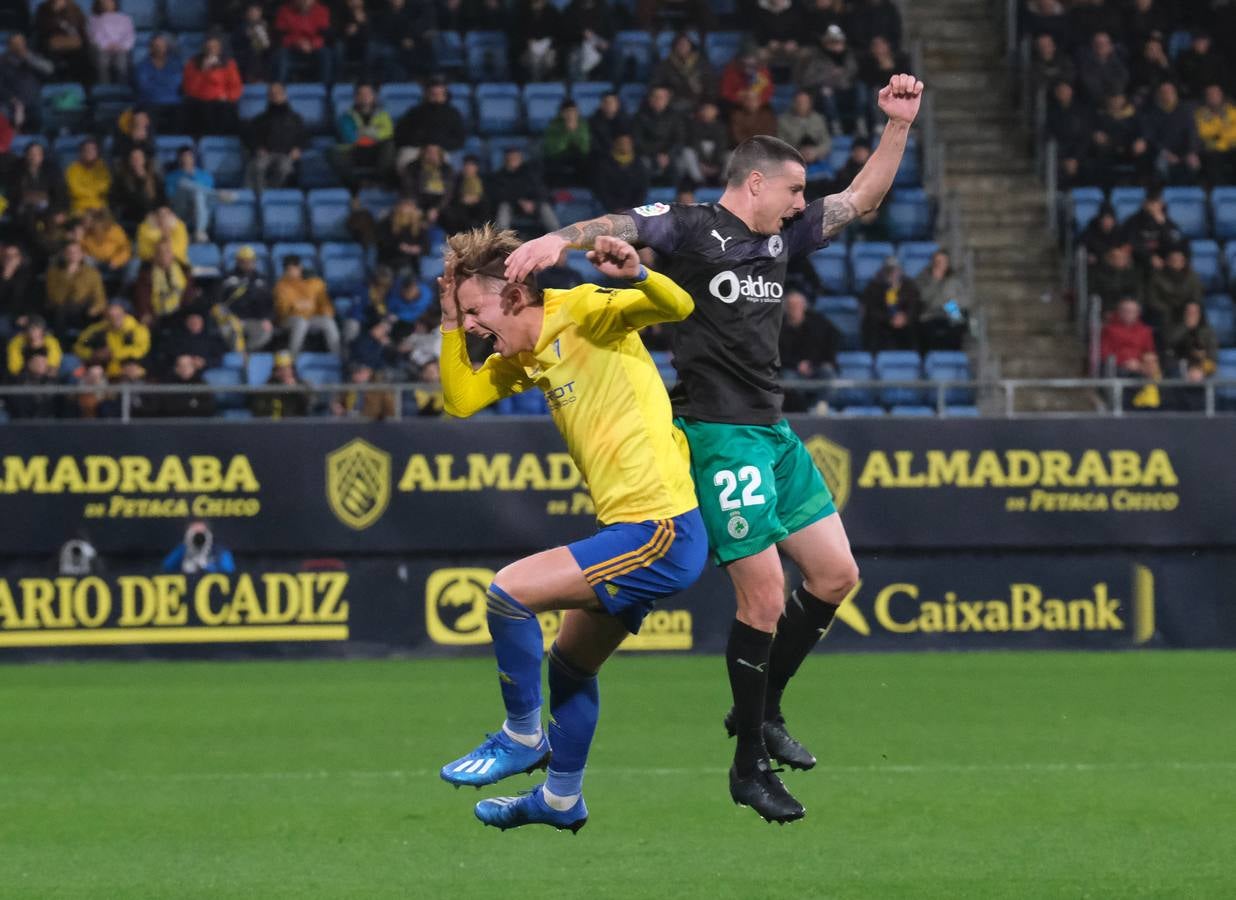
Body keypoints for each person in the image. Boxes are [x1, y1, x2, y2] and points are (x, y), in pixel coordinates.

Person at [506, 72, 923, 825]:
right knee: (762, 598)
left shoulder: (780, 235)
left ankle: (761, 713)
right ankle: (747, 768)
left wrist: (897, 125)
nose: (803, 204)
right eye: (794, 191)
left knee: (836, 574)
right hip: (718, 433)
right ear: (755, 183)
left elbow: (861, 200)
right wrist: (553, 241)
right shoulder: (694, 228)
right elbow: (625, 223)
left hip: (773, 429)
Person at [435, 225, 706, 834]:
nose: (475, 328)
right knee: (570, 667)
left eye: (476, 311)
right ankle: (561, 798)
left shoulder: (581, 309)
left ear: (512, 295)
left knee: (508, 592)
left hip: (659, 528)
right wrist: (450, 321)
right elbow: (459, 400)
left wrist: (634, 272)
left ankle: (523, 735)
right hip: (634, 531)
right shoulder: (524, 356)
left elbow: (679, 305)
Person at [778, 289, 838, 412]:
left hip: (815, 365)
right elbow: (776, 354)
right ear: (786, 308)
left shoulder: (818, 323)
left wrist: (813, 363)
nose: (794, 308)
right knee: (788, 380)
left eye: (797, 305)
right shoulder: (778, 327)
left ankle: (819, 407)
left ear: (804, 306)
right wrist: (796, 364)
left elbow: (831, 342)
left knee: (828, 373)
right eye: (791, 305)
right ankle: (802, 410)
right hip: (790, 368)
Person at [1100, 296, 1162, 408]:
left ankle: (1151, 404)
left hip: (1140, 367)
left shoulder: (1145, 331)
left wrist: (1140, 364)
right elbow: (1105, 354)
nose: (1129, 314)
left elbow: (1149, 351)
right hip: (1118, 367)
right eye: (1126, 311)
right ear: (1119, 312)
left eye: (1132, 311)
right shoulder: (1109, 330)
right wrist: (1125, 362)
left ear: (1138, 313)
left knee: (1153, 370)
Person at [331, 83, 394, 190]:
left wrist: (362, 132)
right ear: (356, 97)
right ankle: (355, 186)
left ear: (374, 96)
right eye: (361, 94)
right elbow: (350, 137)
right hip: (355, 150)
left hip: (376, 151)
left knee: (390, 145)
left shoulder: (383, 114)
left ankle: (379, 182)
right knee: (332, 153)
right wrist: (374, 133)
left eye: (368, 93)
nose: (365, 97)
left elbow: (388, 132)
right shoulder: (346, 116)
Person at [274, 254, 340, 356]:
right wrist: (299, 310)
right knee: (301, 322)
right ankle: (293, 357)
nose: (290, 272)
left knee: (328, 322)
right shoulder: (281, 285)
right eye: (287, 269)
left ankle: (338, 356)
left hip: (312, 318)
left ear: (299, 267)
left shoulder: (315, 282)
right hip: (290, 319)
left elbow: (324, 303)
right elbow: (283, 310)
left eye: (293, 268)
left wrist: (327, 312)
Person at [181, 32, 243, 137]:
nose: (211, 49)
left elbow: (236, 88)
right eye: (208, 47)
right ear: (204, 47)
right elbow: (189, 89)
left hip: (220, 102)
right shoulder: (193, 63)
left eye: (214, 47)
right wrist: (202, 70)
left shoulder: (228, 63)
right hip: (199, 101)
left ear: (219, 48)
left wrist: (227, 96)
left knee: (227, 110)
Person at [167, 146, 232, 244]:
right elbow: (171, 198)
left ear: (194, 157)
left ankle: (199, 231)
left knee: (199, 195)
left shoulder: (205, 176)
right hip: (181, 211)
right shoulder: (172, 177)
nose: (186, 159)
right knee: (183, 184)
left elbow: (209, 201)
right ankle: (218, 194)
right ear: (179, 158)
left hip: (202, 212)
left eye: (189, 156)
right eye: (183, 156)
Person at [489, 148, 559, 238]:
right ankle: (501, 240)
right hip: (513, 206)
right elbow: (500, 195)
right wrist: (520, 201)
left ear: (521, 159)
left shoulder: (529, 173)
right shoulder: (500, 175)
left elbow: (540, 191)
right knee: (504, 207)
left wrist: (534, 203)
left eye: (516, 158)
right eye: (511, 158)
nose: (513, 160)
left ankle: (558, 238)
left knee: (545, 207)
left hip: (532, 205)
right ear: (506, 160)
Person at [73, 300, 152, 378]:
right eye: (110, 317)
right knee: (94, 372)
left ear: (124, 314)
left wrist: (114, 354)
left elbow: (141, 351)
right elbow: (77, 347)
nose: (114, 320)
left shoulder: (138, 330)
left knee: (136, 371)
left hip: (129, 366)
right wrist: (94, 354)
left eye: (118, 316)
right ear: (106, 317)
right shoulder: (97, 330)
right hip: (104, 369)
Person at [218, 245, 275, 350]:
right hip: (233, 319)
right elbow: (220, 300)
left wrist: (267, 318)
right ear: (238, 261)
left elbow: (269, 302)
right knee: (226, 330)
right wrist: (229, 317)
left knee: (266, 332)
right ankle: (237, 354)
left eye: (250, 260)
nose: (247, 263)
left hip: (255, 320)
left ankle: (247, 353)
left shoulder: (262, 280)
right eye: (243, 261)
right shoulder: (228, 279)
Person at [46, 241, 107, 339]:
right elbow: (54, 296)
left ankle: (85, 343)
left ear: (82, 254)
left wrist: (93, 310)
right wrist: (67, 275)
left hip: (83, 311)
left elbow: (100, 297)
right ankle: (61, 343)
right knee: (61, 310)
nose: (73, 255)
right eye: (69, 252)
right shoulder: (54, 272)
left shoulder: (92, 273)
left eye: (76, 252)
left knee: (95, 313)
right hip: (60, 308)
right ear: (64, 254)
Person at [861, 255, 921, 351]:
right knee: (871, 325)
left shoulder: (909, 286)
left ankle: (914, 358)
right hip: (883, 321)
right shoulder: (874, 287)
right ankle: (874, 359)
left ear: (900, 271)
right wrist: (889, 318)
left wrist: (905, 317)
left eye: (895, 270)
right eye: (889, 271)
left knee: (918, 324)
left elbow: (914, 305)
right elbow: (871, 309)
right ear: (884, 271)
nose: (893, 274)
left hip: (904, 321)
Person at [914, 249, 968, 351]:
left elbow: (965, 298)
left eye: (944, 262)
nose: (941, 265)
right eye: (938, 262)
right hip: (930, 312)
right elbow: (923, 298)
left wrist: (956, 304)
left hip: (950, 309)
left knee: (959, 324)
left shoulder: (954, 279)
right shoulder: (923, 278)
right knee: (929, 329)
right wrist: (935, 281)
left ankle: (955, 354)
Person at [134, 239, 198, 324]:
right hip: (157, 316)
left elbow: (188, 293)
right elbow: (142, 298)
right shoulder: (146, 273)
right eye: (160, 252)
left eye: (167, 251)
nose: (164, 255)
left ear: (172, 254)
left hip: (180, 313)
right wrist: (146, 314)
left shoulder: (183, 270)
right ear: (155, 256)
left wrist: (190, 313)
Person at [634, 84, 685, 185]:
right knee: (643, 163)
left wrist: (667, 155)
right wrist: (655, 155)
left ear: (667, 100)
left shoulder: (675, 117)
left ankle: (677, 192)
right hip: (648, 154)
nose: (658, 100)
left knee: (682, 161)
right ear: (650, 99)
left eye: (661, 97)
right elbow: (638, 141)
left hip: (668, 154)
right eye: (655, 97)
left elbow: (679, 140)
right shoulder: (640, 116)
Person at [273, 0, 333, 86]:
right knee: (281, 55)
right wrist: (297, 43)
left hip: (314, 47)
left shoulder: (321, 10)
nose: (304, 2)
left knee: (326, 54)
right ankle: (279, 89)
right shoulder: (284, 11)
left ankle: (326, 90)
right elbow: (279, 36)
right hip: (292, 47)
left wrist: (312, 44)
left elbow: (325, 35)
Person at [133, 34, 183, 131]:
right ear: (150, 48)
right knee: (144, 115)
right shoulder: (142, 66)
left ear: (167, 48)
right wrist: (165, 83)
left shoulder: (175, 64)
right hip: (150, 102)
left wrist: (156, 81)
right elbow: (144, 87)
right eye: (156, 46)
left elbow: (176, 83)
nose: (159, 49)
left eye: (162, 46)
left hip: (173, 102)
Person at [34, 0, 90, 83]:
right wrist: (54, 12)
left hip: (73, 45)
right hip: (51, 43)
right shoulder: (43, 8)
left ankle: (83, 88)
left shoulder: (74, 8)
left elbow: (81, 28)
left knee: (85, 56)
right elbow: (41, 29)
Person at [592, 134, 649, 214]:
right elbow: (601, 189)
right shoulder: (604, 164)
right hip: (609, 208)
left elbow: (642, 189)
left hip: (632, 208)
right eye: (621, 143)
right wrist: (614, 208)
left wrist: (633, 208)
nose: (625, 146)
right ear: (615, 145)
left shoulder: (638, 164)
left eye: (627, 143)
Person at [112, 147, 164, 230]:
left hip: (153, 215)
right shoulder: (121, 179)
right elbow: (120, 200)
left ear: (144, 160)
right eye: (133, 158)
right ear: (129, 160)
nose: (136, 160)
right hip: (131, 215)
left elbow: (161, 199)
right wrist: (141, 180)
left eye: (139, 157)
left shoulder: (154, 178)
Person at [680, 101, 730, 187]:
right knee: (687, 152)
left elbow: (721, 146)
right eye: (705, 110)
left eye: (710, 110)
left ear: (716, 112)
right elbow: (695, 145)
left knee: (730, 154)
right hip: (700, 162)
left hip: (716, 161)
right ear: (700, 112)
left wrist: (715, 164)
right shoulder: (694, 125)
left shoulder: (721, 126)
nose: (707, 113)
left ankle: (724, 181)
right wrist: (702, 164)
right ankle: (699, 181)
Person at [1195, 84, 1236, 186]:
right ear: (1206, 97)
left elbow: (1234, 131)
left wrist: (1218, 134)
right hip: (1211, 150)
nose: (1213, 97)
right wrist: (1224, 130)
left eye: (1216, 94)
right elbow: (1203, 132)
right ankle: (1219, 195)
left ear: (1221, 95)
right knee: (1212, 162)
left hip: (1231, 148)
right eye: (1210, 95)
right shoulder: (1200, 114)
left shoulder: (1232, 111)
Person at [249, 349, 311, 417]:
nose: (285, 372)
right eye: (281, 369)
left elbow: (309, 405)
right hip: (275, 424)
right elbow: (258, 408)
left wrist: (296, 390)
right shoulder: (269, 386)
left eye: (288, 368)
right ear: (275, 371)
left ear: (292, 369)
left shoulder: (302, 384)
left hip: (296, 423)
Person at [542, 101, 591, 188]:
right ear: (562, 113)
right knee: (553, 167)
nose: (571, 115)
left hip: (578, 157)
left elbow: (585, 148)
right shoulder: (553, 126)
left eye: (573, 112)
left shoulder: (583, 125)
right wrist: (566, 132)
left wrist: (575, 132)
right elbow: (556, 149)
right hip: (557, 157)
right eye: (567, 112)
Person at [376, 198, 427, 278]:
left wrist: (417, 249)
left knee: (406, 272)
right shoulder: (387, 223)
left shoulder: (419, 227)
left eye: (410, 207)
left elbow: (426, 246)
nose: (407, 211)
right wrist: (400, 246)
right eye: (405, 207)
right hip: (388, 260)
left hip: (409, 263)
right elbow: (382, 242)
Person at [88, 0, 135, 84]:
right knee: (102, 60)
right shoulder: (94, 19)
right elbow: (94, 36)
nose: (107, 4)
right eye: (104, 2)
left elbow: (130, 36)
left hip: (121, 49)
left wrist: (121, 46)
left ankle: (122, 87)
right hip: (102, 49)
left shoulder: (125, 18)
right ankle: (105, 87)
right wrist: (106, 45)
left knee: (121, 60)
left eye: (110, 1)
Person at [162, 520, 235, 574]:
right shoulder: (182, 550)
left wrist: (207, 567)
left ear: (209, 534)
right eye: (195, 533)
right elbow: (166, 567)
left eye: (201, 533)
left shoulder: (220, 551)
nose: (198, 537)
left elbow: (229, 571)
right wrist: (185, 546)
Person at [65, 137, 111, 216]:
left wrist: (88, 193)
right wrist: (92, 193)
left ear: (97, 152)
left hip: (99, 206)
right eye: (86, 150)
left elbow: (105, 186)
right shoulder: (72, 169)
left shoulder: (102, 167)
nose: (89, 152)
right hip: (80, 206)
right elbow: (74, 190)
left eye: (93, 149)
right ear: (81, 152)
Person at [233, 2, 274, 82]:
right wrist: (249, 35)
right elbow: (236, 43)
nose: (254, 14)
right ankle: (253, 79)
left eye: (256, 11)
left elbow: (267, 43)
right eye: (251, 11)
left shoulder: (265, 25)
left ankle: (269, 80)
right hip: (245, 53)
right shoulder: (242, 27)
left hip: (264, 52)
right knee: (254, 51)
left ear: (260, 13)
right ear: (247, 13)